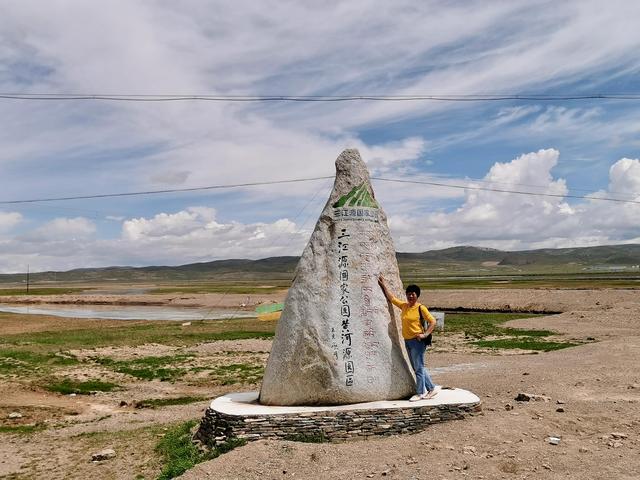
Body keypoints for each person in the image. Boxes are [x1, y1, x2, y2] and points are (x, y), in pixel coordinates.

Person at [378, 275, 441, 401]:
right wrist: (383, 284)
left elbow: (433, 321)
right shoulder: (405, 306)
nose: (410, 296)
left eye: (412, 294)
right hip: (407, 341)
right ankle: (432, 388)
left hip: (418, 342)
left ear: (417, 295)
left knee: (418, 367)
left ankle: (420, 393)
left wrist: (425, 334)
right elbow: (392, 299)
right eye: (408, 294)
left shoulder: (420, 308)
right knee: (418, 367)